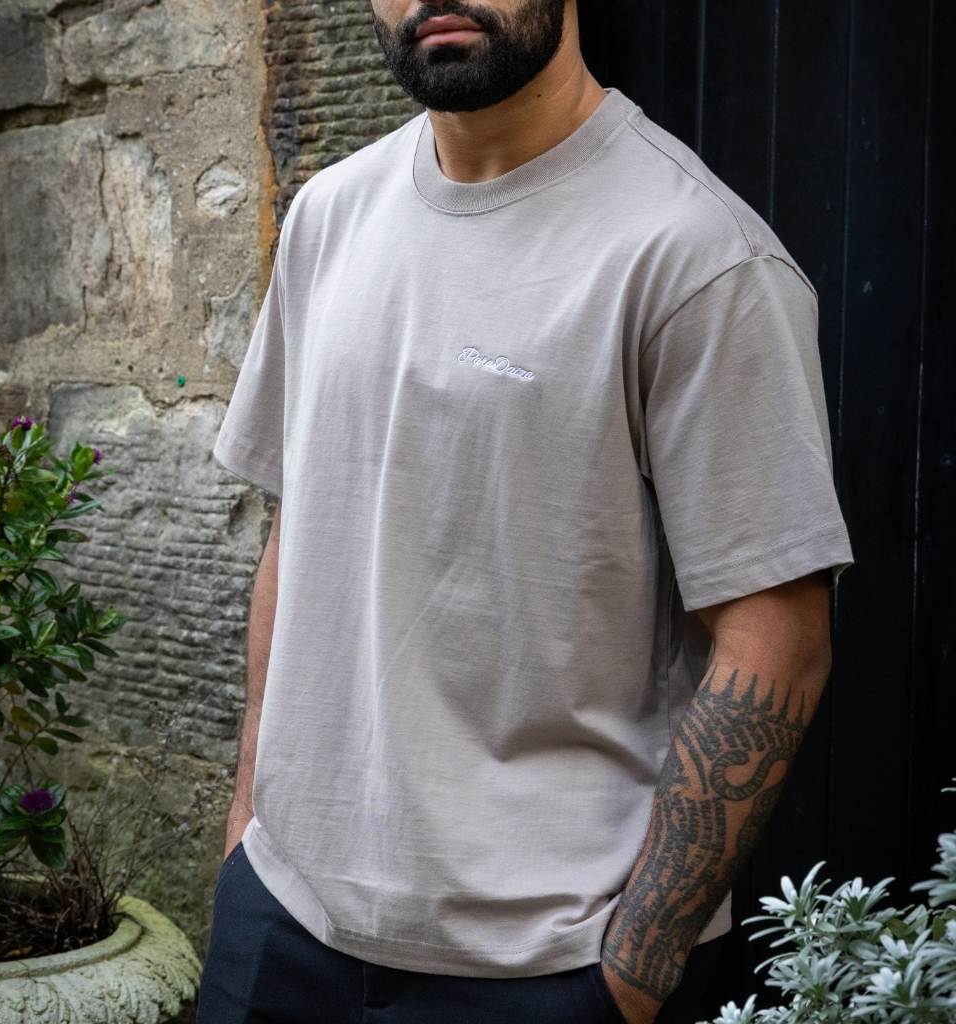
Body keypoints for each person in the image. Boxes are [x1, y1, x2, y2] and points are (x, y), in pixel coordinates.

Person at [197, 1, 855, 1021]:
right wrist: (248, 820)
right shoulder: (327, 216)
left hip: (544, 964)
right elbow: (303, 527)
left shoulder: (696, 256)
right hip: (281, 920)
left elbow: (778, 635)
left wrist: (630, 972)